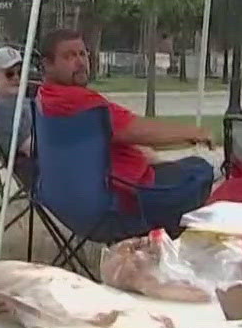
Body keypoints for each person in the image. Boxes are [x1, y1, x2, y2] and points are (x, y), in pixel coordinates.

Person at [35, 28, 216, 215]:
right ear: (48, 64)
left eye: (83, 54)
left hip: (72, 201)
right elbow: (138, 131)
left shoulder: (44, 98)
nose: (81, 62)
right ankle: (170, 240)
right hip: (122, 198)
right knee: (200, 171)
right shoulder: (81, 102)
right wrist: (196, 133)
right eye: (69, 56)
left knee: (178, 166)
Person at [0, 45, 32, 158]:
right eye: (9, 74)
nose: (16, 78)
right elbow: (27, 147)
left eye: (20, 73)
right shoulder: (2, 107)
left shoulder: (23, 102)